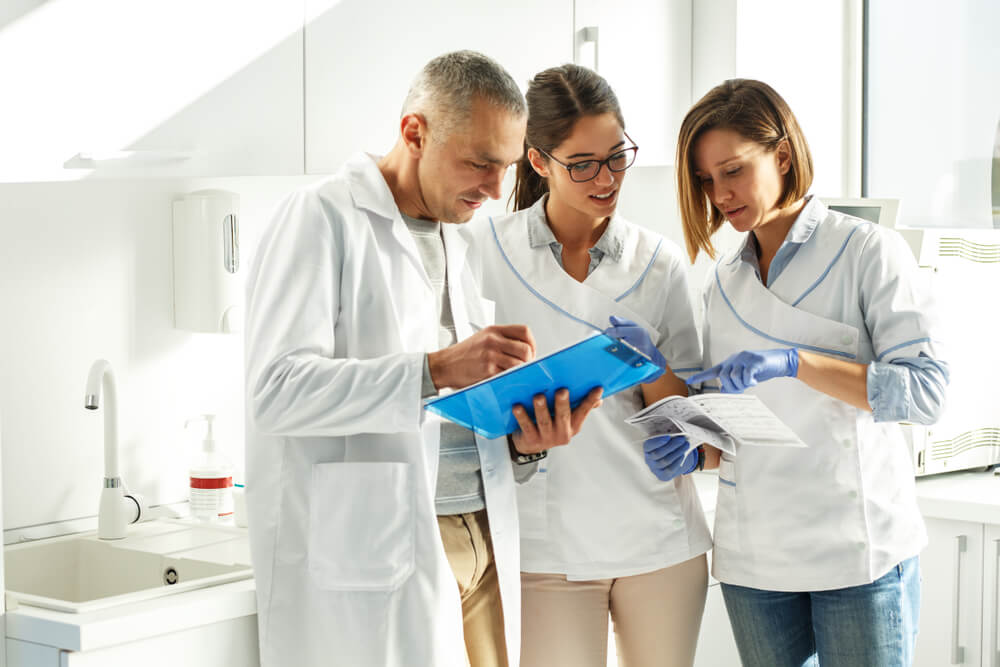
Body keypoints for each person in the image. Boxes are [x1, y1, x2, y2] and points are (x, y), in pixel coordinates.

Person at [243, 51, 602, 667]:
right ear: (415, 132)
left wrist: (525, 443)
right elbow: (275, 392)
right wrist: (435, 368)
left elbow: (450, 421)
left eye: (507, 167)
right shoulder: (322, 217)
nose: (495, 189)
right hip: (382, 547)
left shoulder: (454, 236)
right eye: (479, 163)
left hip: (481, 537)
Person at [653, 78, 949, 666]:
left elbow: (926, 392)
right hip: (755, 558)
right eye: (706, 180)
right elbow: (729, 426)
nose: (720, 194)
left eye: (733, 170)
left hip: (856, 552)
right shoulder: (723, 283)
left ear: (783, 156)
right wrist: (693, 449)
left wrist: (798, 362)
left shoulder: (867, 252)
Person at [475, 63, 711, 667]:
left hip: (658, 539)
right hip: (544, 548)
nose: (606, 179)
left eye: (616, 157)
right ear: (537, 161)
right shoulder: (485, 254)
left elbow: (691, 412)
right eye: (582, 164)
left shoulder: (658, 263)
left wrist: (653, 368)